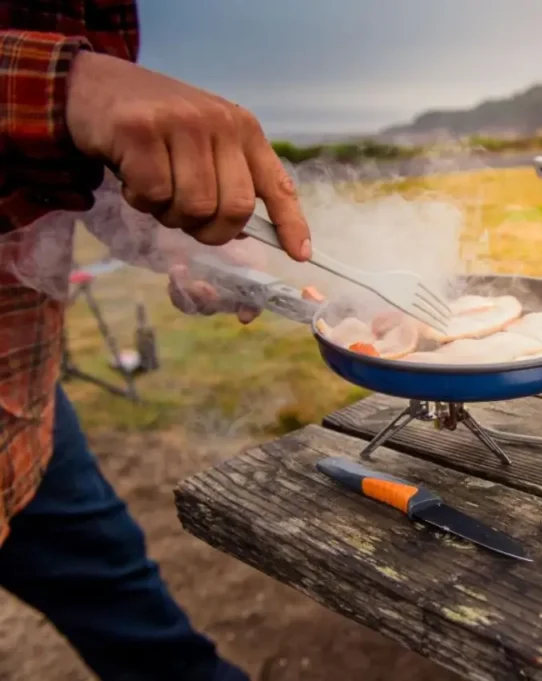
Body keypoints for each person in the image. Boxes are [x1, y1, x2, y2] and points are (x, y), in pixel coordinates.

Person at [0, 2, 313, 679]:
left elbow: (75, 173)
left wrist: (168, 232)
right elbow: (69, 109)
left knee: (149, 635)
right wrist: (71, 86)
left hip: (28, 406)